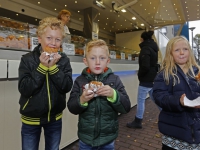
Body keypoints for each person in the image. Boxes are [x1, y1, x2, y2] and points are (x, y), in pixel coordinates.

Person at [18, 17, 73, 150]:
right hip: (30, 118)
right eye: (49, 38)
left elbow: (66, 86)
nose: (53, 43)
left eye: (58, 39)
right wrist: (42, 67)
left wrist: (53, 68)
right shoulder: (27, 60)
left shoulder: (64, 60)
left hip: (55, 118)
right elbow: (25, 89)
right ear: (40, 38)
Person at [67, 39, 131, 150]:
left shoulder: (114, 80)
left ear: (108, 61)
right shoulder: (80, 81)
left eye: (102, 58)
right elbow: (72, 107)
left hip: (108, 139)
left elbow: (126, 107)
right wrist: (82, 100)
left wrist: (113, 94)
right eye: (92, 58)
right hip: (86, 139)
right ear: (85, 61)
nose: (97, 62)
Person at [153, 36, 200, 150]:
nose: (182, 53)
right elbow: (159, 96)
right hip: (174, 133)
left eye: (185, 49)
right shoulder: (164, 74)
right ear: (170, 53)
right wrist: (178, 101)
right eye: (177, 50)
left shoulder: (197, 71)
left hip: (197, 130)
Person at [126, 30, 159, 129]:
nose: (140, 40)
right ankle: (169, 115)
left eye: (140, 38)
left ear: (143, 38)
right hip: (153, 77)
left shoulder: (145, 49)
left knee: (140, 101)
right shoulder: (154, 48)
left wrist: (140, 75)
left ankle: (138, 121)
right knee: (155, 99)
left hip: (146, 79)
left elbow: (145, 66)